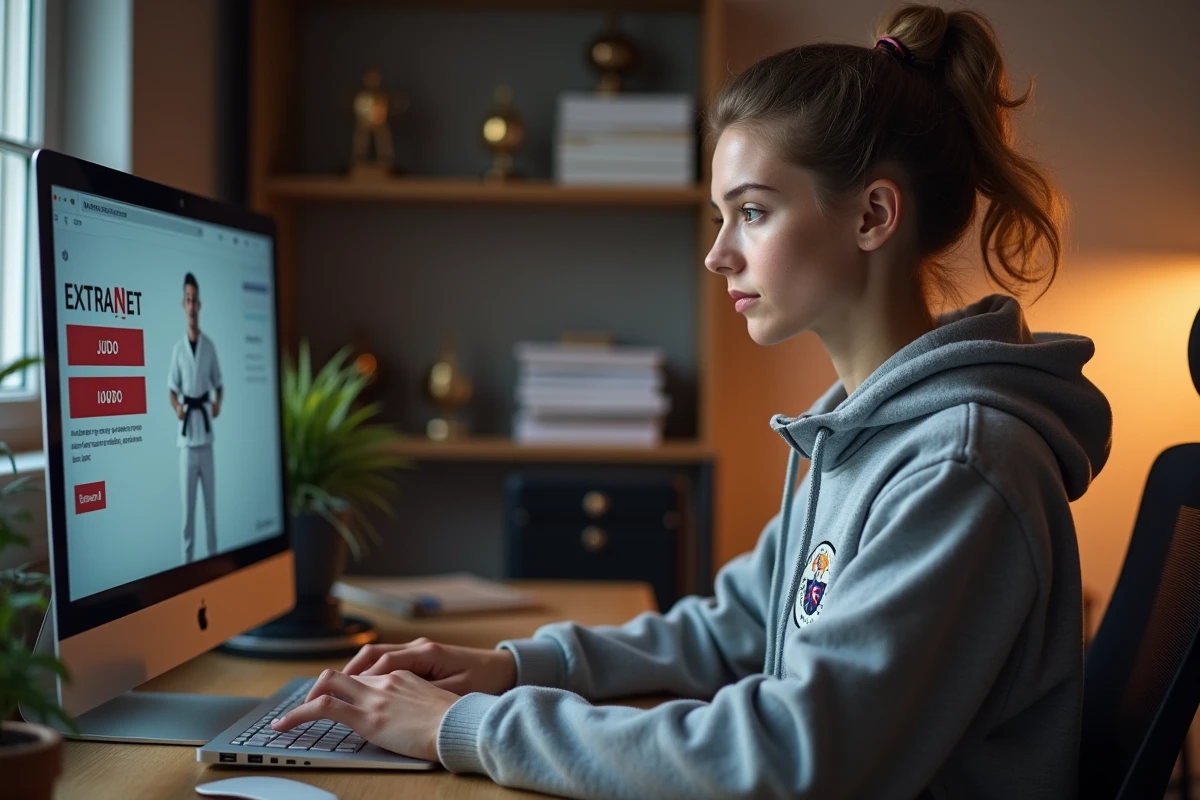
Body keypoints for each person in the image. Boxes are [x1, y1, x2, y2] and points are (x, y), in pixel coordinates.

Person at [271, 5, 1112, 797]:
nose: (719, 255)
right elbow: (731, 628)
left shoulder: (960, 466)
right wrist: (514, 667)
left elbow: (795, 757)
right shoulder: (857, 431)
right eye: (721, 217)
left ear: (872, 216)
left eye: (751, 212)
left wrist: (470, 727)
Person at [168, 272, 223, 563]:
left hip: (207, 437)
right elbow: (171, 388)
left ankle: (214, 562)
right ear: (183, 304)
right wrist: (177, 407)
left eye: (194, 300)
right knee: (188, 511)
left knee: (210, 508)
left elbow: (220, 383)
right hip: (187, 440)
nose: (191, 305)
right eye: (187, 299)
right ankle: (186, 566)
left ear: (199, 305)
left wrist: (218, 404)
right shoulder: (178, 350)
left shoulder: (210, 347)